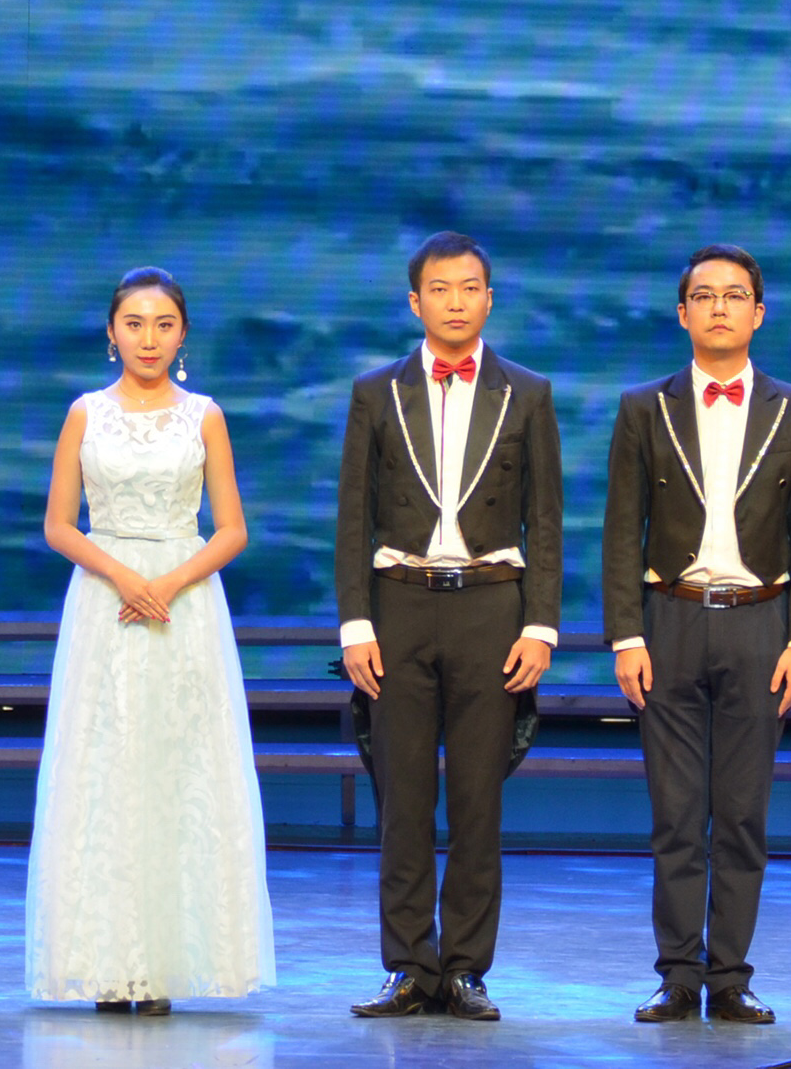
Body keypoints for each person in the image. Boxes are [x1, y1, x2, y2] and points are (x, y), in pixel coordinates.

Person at [23, 267, 276, 1011]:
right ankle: (107, 962)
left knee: (178, 769)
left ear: (183, 333)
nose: (148, 338)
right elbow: (59, 524)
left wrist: (167, 582)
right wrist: (123, 575)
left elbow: (231, 528)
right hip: (104, 602)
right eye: (134, 323)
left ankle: (163, 964)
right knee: (104, 770)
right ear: (112, 332)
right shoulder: (84, 413)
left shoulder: (204, 416)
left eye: (163, 324)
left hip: (183, 605)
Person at [601, 242, 791, 1026]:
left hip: (761, 622)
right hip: (669, 618)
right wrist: (626, 636)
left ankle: (730, 975)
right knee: (675, 814)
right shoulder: (645, 407)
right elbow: (621, 530)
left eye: (735, 295)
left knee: (740, 814)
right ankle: (678, 974)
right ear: (683, 314)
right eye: (705, 295)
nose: (720, 307)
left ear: (758, 314)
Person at [336, 231, 564, 1023]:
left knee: (476, 802)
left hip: (491, 607)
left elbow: (546, 520)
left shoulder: (527, 392)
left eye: (469, 288)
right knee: (402, 798)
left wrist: (541, 626)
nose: (456, 302)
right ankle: (408, 966)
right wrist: (355, 623)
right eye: (440, 288)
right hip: (397, 605)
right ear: (415, 301)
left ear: (489, 299)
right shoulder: (375, 392)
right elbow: (353, 517)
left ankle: (465, 968)